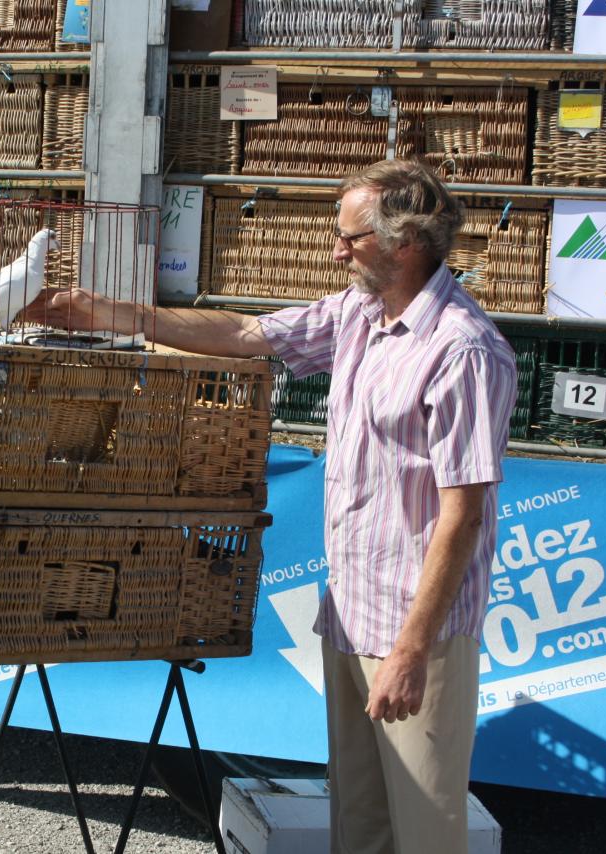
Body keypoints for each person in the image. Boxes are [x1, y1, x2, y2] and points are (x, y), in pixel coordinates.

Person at [28, 159, 517, 854]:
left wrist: (411, 650)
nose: (336, 251)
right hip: (352, 613)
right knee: (361, 825)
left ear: (405, 243)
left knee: (424, 834)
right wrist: (109, 314)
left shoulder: (463, 350)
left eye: (351, 238)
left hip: (417, 633)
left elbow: (462, 514)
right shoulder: (359, 313)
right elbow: (247, 336)